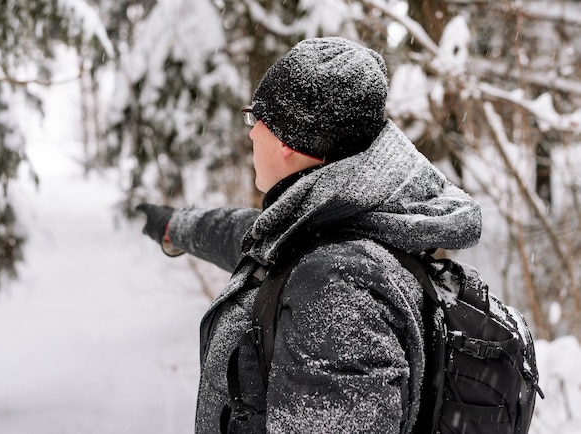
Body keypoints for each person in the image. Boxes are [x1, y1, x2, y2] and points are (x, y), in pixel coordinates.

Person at [137, 37, 482, 433]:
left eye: (255, 119)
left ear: (286, 138)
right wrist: (175, 226)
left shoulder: (335, 287)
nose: (250, 135)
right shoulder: (339, 229)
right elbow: (251, 239)